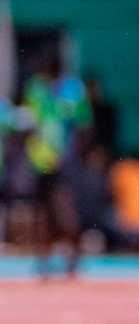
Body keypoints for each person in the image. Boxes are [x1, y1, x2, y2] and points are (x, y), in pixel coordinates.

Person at [24, 58, 92, 277]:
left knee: (62, 209)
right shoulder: (36, 90)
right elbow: (31, 123)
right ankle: (45, 260)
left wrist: (77, 155)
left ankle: (73, 257)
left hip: (62, 161)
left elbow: (83, 126)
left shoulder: (71, 91)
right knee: (43, 212)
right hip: (41, 161)